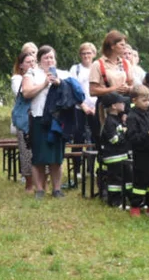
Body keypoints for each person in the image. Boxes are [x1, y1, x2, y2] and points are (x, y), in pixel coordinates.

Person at [22, 45, 66, 198]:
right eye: (46, 57)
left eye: (51, 57)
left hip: (57, 119)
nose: (49, 60)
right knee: (39, 156)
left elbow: (71, 94)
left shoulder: (62, 74)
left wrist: (60, 84)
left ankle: (56, 189)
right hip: (39, 117)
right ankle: (40, 189)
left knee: (56, 157)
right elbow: (27, 93)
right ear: (39, 60)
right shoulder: (32, 73)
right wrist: (44, 84)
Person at [125, 86, 149, 216]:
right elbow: (133, 138)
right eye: (144, 100)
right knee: (140, 180)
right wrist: (148, 134)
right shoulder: (132, 117)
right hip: (140, 153)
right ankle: (135, 206)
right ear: (134, 100)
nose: (147, 103)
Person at [97, 92, 131, 207]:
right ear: (114, 106)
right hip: (114, 157)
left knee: (125, 177)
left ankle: (124, 199)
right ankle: (114, 201)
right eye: (121, 102)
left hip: (121, 155)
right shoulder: (110, 121)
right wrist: (125, 134)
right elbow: (113, 139)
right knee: (115, 180)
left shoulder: (117, 119)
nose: (124, 104)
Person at [11, 50, 37, 192]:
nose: (32, 64)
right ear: (21, 65)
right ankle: (28, 183)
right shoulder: (17, 79)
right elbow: (23, 94)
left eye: (33, 61)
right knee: (26, 150)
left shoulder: (39, 76)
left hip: (38, 117)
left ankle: (41, 181)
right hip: (24, 118)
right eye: (28, 62)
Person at [68, 42, 98, 144]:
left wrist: (95, 107)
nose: (86, 56)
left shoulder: (98, 68)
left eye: (88, 53)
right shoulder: (75, 69)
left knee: (96, 136)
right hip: (79, 108)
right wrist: (83, 105)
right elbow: (72, 89)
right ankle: (77, 160)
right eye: (83, 53)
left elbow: (102, 87)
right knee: (78, 137)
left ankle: (93, 159)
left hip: (95, 108)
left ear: (94, 54)